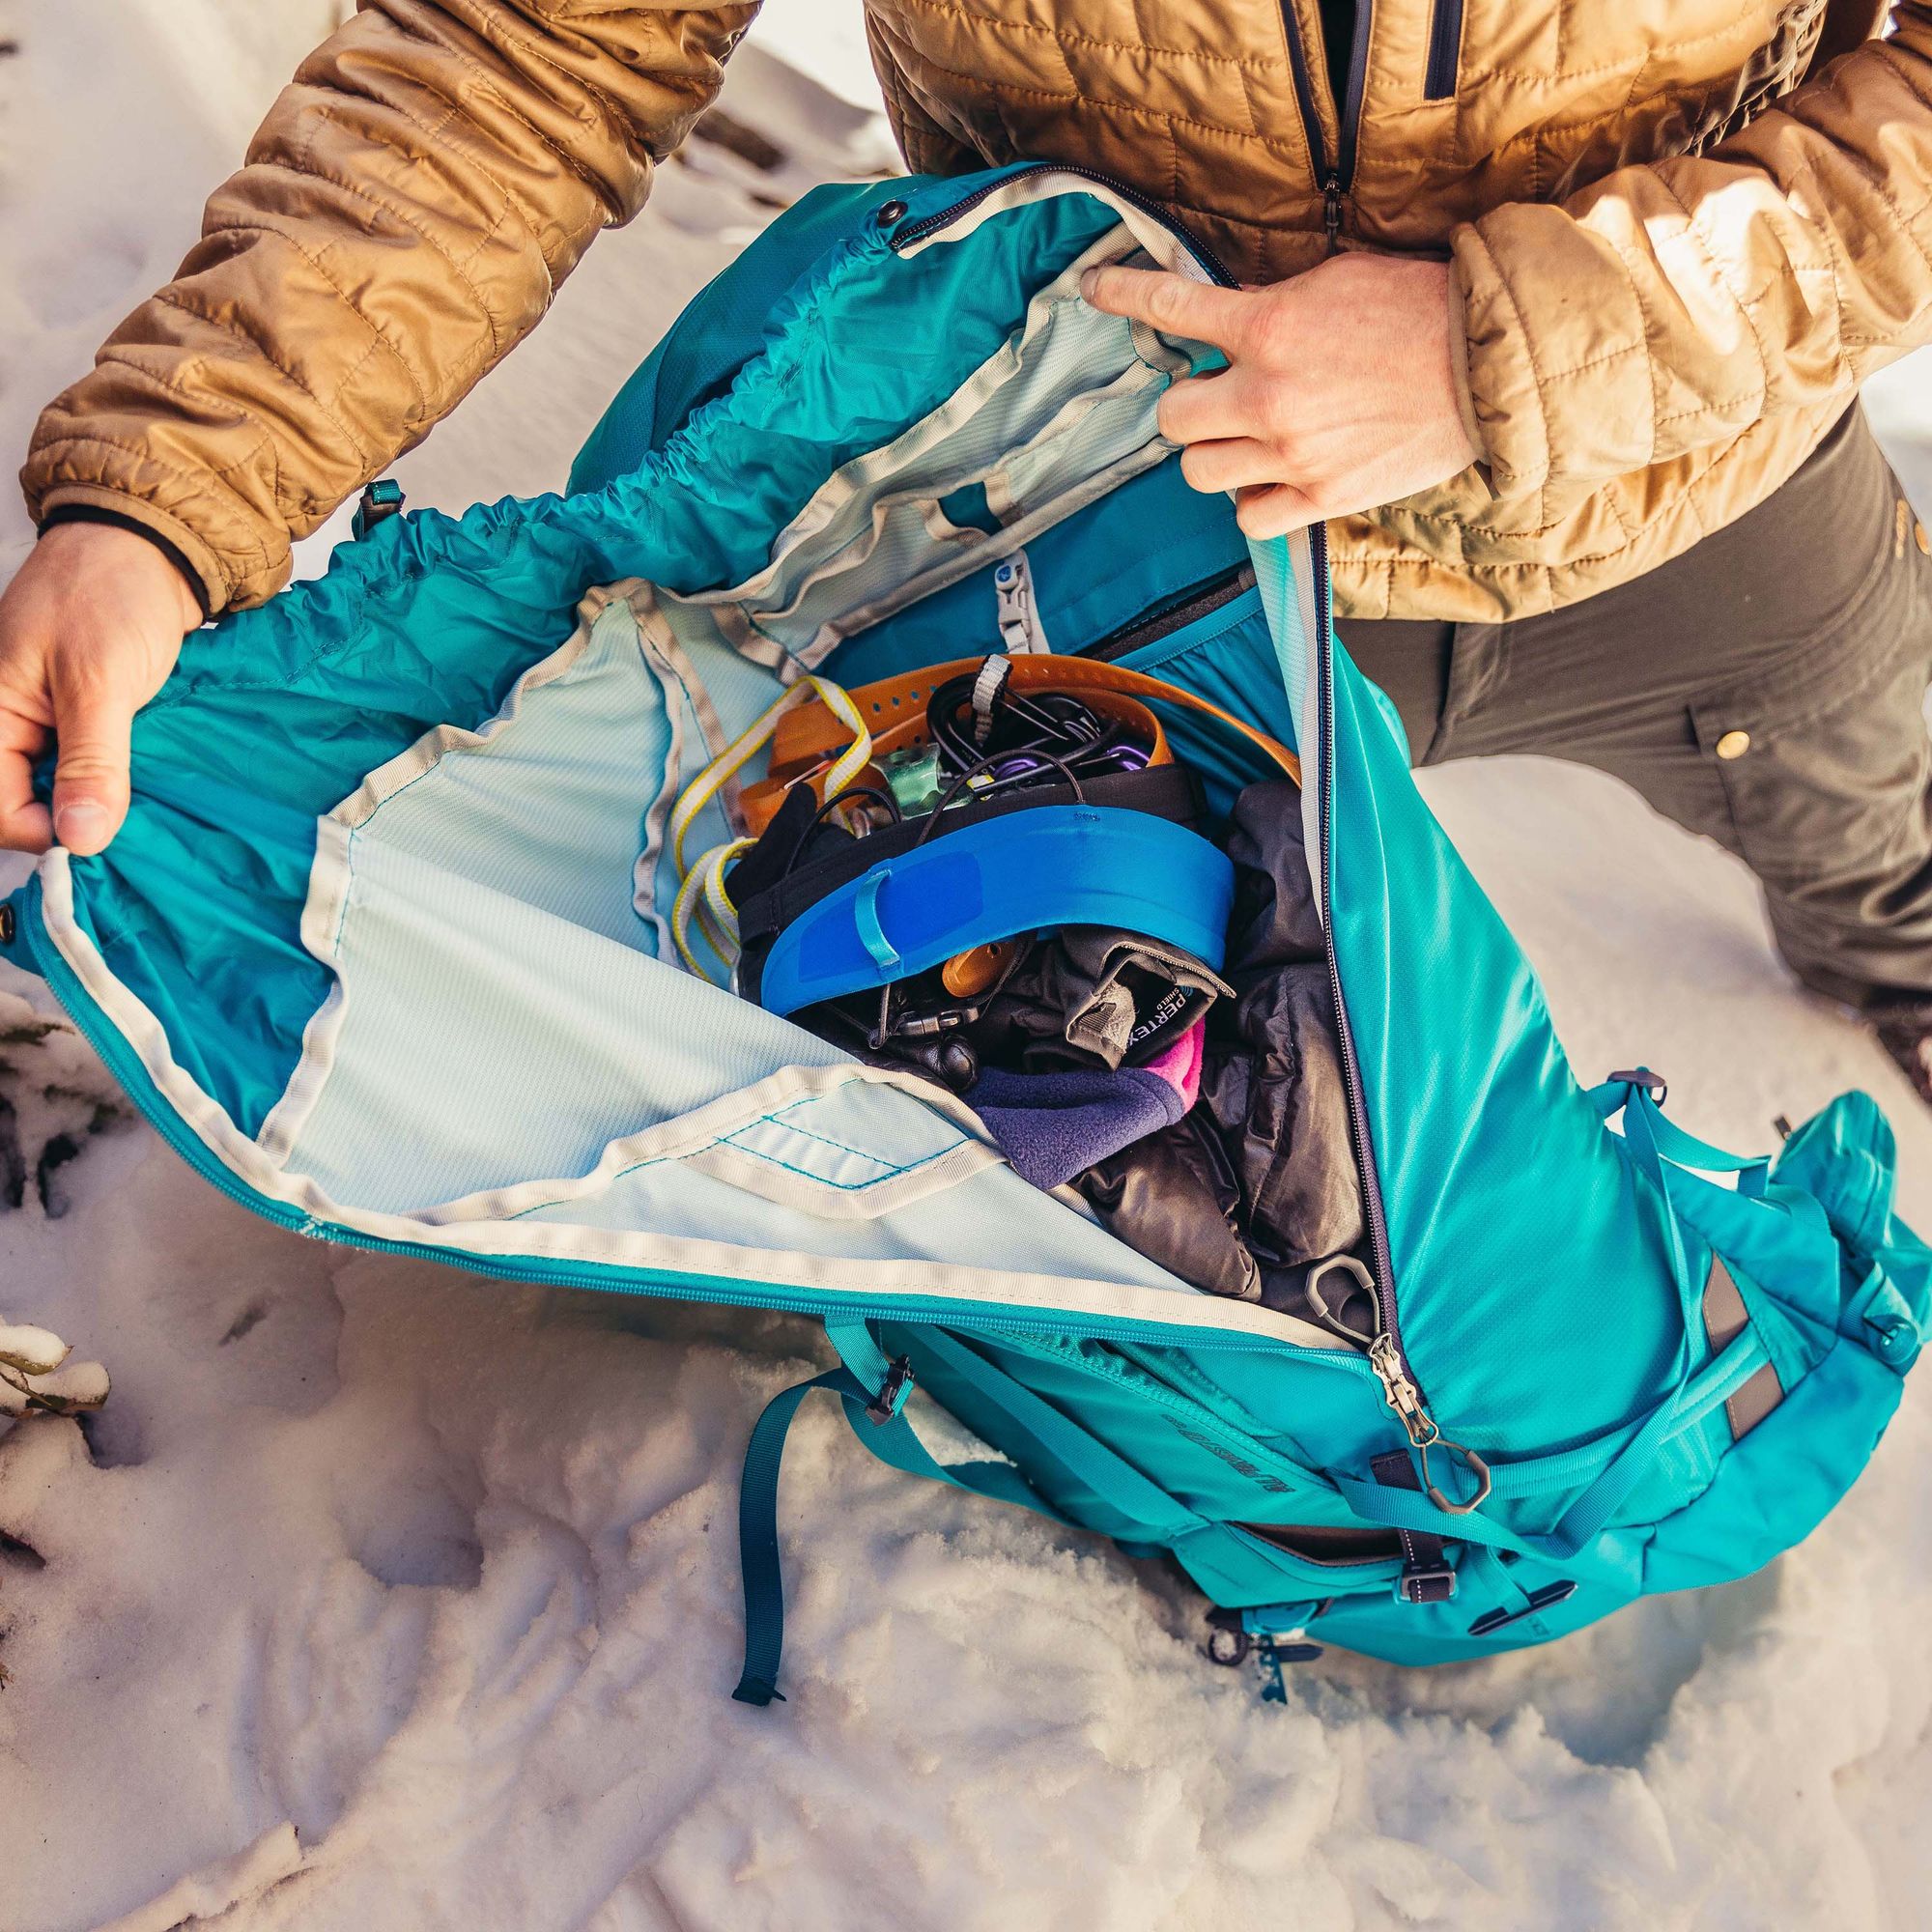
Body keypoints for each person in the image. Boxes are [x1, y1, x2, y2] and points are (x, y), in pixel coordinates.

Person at [5, 0, 1932, 1083]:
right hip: (1109, 532)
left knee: (1899, 835)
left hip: (1697, 501)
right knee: (1034, 1079)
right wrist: (166, 500)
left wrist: (1504, 342)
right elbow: (521, 53)